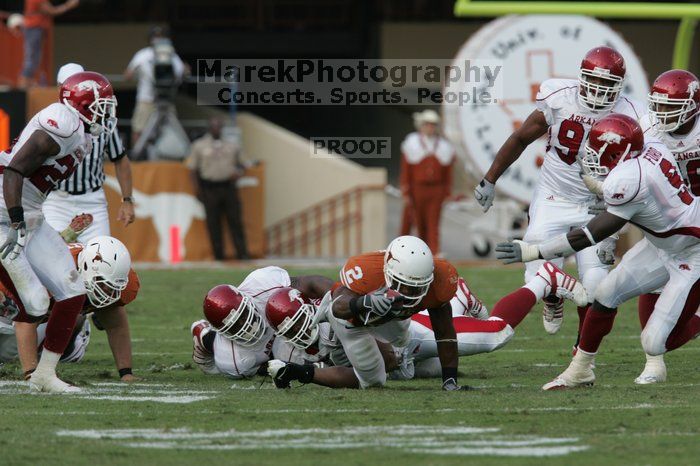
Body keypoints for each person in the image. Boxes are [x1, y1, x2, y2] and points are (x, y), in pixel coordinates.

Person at [495, 114, 700, 390]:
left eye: (597, 149)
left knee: (655, 342)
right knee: (605, 293)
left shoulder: (629, 180)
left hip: (692, 252)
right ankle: (580, 370)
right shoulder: (650, 147)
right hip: (664, 243)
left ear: (621, 152)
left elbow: (586, 236)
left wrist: (534, 251)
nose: (591, 155)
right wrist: (604, 188)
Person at [473, 46, 646, 340]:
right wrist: (489, 179)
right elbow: (520, 137)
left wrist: (619, 211)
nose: (600, 89)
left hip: (597, 206)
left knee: (596, 286)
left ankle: (581, 355)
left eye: (608, 83)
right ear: (582, 77)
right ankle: (553, 297)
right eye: (595, 80)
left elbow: (642, 170)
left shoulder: (633, 114)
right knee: (537, 274)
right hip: (554, 196)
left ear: (619, 85)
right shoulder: (560, 98)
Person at [0, 70, 116, 393]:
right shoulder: (63, 121)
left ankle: (44, 375)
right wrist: (17, 221)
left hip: (31, 214)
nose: (105, 113)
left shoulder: (84, 134)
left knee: (73, 291)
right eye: (100, 105)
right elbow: (13, 170)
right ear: (79, 102)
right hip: (4, 210)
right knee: (36, 302)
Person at [267, 235, 465, 391]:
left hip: (394, 321)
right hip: (354, 322)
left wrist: (449, 379)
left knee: (403, 340)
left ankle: (401, 352)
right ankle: (300, 372)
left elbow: (445, 332)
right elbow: (339, 307)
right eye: (402, 285)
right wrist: (365, 302)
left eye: (415, 288)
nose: (408, 293)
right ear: (387, 271)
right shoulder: (366, 270)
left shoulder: (441, 280)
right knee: (373, 380)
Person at [631, 69, 700, 384]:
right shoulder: (646, 129)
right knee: (650, 284)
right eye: (659, 105)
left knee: (669, 334)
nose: (662, 114)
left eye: (671, 107)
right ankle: (653, 363)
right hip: (670, 217)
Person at [0, 235, 139, 383]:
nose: (107, 291)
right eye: (102, 283)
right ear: (85, 267)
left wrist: (126, 372)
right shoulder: (51, 270)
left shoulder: (115, 280)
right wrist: (31, 374)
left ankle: (72, 341)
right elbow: (24, 322)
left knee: (66, 314)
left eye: (111, 286)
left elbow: (115, 325)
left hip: (44, 317)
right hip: (13, 309)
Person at [43, 63, 135, 241]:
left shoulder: (102, 118)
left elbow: (120, 159)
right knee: (54, 260)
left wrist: (127, 200)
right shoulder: (50, 120)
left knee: (99, 258)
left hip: (92, 200)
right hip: (56, 200)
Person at [190, 267, 334, 378]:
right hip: (266, 347)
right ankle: (205, 336)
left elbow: (308, 284)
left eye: (243, 315)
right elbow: (269, 368)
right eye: (235, 326)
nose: (246, 325)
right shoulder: (234, 360)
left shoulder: (261, 283)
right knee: (283, 358)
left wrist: (340, 295)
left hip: (286, 324)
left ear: (246, 299)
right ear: (224, 332)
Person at [187, 117, 249, 260]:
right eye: (213, 126)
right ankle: (218, 255)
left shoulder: (232, 145)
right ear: (209, 127)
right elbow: (192, 170)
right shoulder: (199, 145)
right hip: (209, 188)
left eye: (219, 126)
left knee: (235, 221)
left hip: (229, 187)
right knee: (213, 223)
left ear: (222, 128)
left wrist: (239, 173)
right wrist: (197, 190)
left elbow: (245, 164)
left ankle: (242, 254)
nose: (216, 128)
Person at [399, 110, 454, 253]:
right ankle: (411, 251)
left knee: (433, 222)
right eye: (427, 124)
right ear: (421, 126)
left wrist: (447, 192)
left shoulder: (443, 145)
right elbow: (406, 169)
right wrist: (405, 190)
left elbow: (448, 173)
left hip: (436, 189)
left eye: (433, 125)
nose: (430, 128)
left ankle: (433, 251)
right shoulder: (412, 142)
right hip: (418, 188)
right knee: (416, 220)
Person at [124, 25, 186, 147]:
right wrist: (132, 71)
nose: (158, 39)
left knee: (169, 130)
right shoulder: (142, 55)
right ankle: (138, 160)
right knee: (138, 129)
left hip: (166, 99)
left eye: (161, 36)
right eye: (155, 36)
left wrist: (185, 71)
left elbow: (180, 74)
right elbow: (128, 75)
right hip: (146, 99)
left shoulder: (171, 55)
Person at [17, 0, 79, 88]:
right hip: (34, 28)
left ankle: (27, 85)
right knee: (32, 58)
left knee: (34, 58)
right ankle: (23, 87)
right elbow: (51, 11)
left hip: (35, 28)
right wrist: (68, 5)